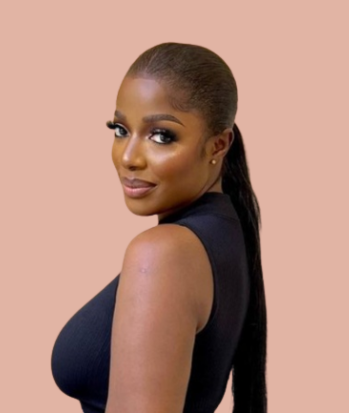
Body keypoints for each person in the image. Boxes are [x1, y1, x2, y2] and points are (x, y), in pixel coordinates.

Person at [51, 42, 267, 413]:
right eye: (120, 129)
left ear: (218, 145)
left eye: (161, 136)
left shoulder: (164, 253)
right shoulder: (224, 233)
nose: (128, 157)